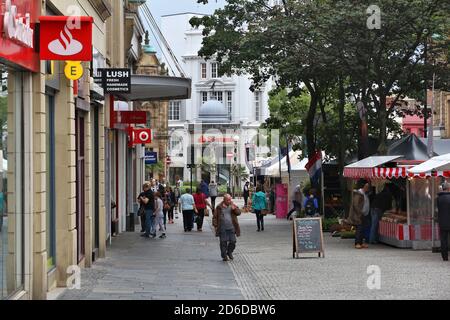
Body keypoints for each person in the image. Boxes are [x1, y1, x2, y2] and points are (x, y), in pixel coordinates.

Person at [212, 194, 241, 261]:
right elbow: (215, 217)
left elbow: (239, 213)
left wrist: (235, 209)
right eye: (228, 200)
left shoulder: (232, 205)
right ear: (224, 200)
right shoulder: (219, 207)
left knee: (233, 241)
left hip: (231, 228)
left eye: (230, 199)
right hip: (222, 228)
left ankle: (229, 252)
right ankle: (224, 255)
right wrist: (215, 226)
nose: (229, 201)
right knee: (223, 242)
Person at [348, 179, 371, 249]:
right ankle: (357, 243)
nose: (368, 187)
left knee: (362, 228)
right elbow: (356, 204)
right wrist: (360, 213)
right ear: (363, 186)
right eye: (367, 186)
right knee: (359, 228)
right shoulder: (359, 194)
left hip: (364, 214)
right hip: (359, 215)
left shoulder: (364, 193)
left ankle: (361, 242)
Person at [437, 181, 450, 261]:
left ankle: (444, 257)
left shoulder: (438, 198)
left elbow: (438, 209)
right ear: (448, 188)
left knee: (443, 239)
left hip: (442, 221)